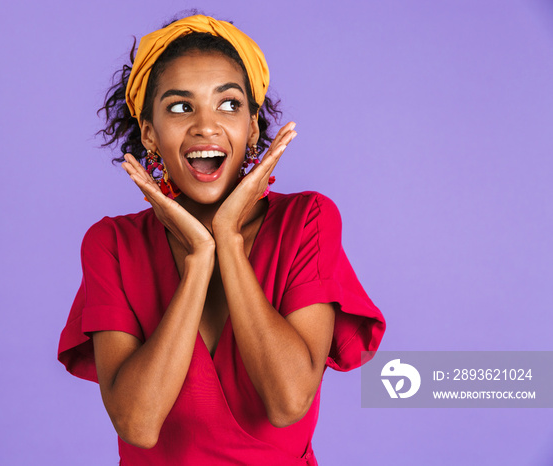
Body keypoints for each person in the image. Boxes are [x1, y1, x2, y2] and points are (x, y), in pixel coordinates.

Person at [58, 14, 385, 465]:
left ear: (252, 128)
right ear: (149, 134)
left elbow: (288, 402)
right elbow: (137, 424)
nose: (206, 126)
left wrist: (228, 240)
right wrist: (199, 260)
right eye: (179, 107)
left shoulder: (307, 221)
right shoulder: (113, 244)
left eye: (228, 105)